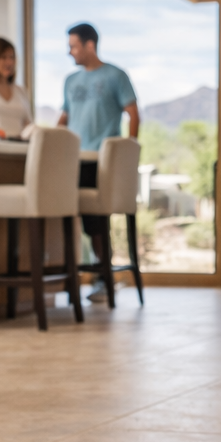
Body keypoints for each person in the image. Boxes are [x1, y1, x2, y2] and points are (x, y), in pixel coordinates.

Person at [58, 23, 140, 303]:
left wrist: (128, 153)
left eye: (74, 46)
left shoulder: (115, 76)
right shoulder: (70, 81)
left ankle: (104, 278)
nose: (70, 52)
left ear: (90, 45)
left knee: (95, 221)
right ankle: (68, 279)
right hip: (73, 159)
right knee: (62, 213)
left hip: (102, 161)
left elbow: (133, 113)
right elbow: (64, 117)